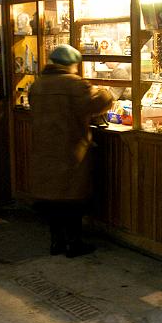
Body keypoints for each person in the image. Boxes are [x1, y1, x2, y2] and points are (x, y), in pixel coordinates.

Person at [27, 44, 113, 257]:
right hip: (70, 151)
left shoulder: (37, 85)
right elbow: (98, 103)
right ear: (72, 64)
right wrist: (104, 91)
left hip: (44, 149)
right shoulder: (75, 85)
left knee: (53, 202)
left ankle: (56, 243)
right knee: (72, 201)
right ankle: (74, 244)